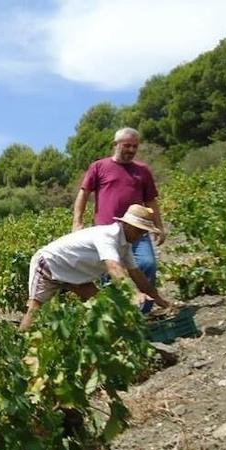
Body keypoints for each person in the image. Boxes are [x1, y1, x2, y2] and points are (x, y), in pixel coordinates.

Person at [19, 204, 171, 331]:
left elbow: (136, 273)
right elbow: (114, 267)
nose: (141, 235)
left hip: (74, 273)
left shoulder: (125, 245)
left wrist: (158, 298)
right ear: (126, 225)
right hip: (49, 264)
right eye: (139, 230)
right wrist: (133, 294)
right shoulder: (108, 236)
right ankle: (22, 344)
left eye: (144, 232)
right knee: (35, 309)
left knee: (101, 304)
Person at [72, 127, 165, 312]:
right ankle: (116, 314)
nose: (131, 150)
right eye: (127, 145)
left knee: (147, 264)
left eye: (135, 146)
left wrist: (159, 226)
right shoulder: (99, 167)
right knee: (110, 273)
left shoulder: (143, 171)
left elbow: (151, 200)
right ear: (115, 145)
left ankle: (142, 313)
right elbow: (83, 194)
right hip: (106, 232)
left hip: (138, 230)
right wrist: (77, 222)